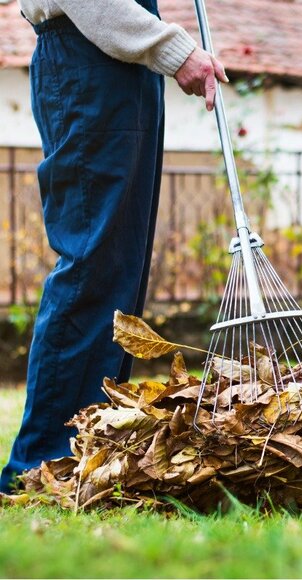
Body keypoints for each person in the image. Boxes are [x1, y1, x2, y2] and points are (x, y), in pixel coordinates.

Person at [0, 0, 228, 492]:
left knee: (119, 271)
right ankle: (41, 465)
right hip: (88, 62)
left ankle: (90, 451)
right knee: (93, 264)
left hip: (118, 69)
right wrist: (173, 48)